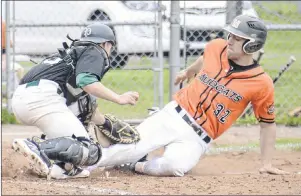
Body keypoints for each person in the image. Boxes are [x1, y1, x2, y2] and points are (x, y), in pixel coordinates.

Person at [12, 15, 288, 178]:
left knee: (174, 167)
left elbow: (267, 124)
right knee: (107, 155)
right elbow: (204, 60)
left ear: (252, 44)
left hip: (200, 137)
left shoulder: (261, 83)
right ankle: (50, 151)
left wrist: (266, 164)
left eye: (237, 38)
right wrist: (186, 72)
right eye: (230, 35)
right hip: (174, 114)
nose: (229, 40)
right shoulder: (216, 47)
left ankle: (136, 161)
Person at [10, 23, 139, 179]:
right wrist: (119, 98)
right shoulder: (95, 50)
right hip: (43, 99)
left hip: (24, 99)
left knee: (84, 104)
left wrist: (103, 122)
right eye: (110, 46)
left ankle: (63, 166)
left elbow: (85, 105)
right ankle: (38, 147)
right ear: (106, 44)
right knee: (91, 150)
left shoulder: (71, 53)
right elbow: (87, 82)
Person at [2, 20, 24, 92]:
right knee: (13, 69)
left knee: (15, 69)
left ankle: (15, 91)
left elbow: (6, 46)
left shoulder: (2, 24)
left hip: (4, 56)